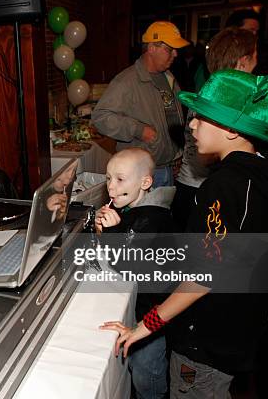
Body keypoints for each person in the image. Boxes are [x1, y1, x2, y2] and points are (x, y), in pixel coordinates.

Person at [100, 69, 268, 397]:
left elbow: (203, 276)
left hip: (206, 341)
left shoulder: (224, 187)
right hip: (240, 331)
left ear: (231, 130)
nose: (191, 124)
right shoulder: (262, 176)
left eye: (201, 117)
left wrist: (144, 326)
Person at [95, 148, 176, 399]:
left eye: (120, 179)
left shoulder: (154, 219)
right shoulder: (134, 207)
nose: (111, 186)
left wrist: (109, 235)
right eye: (108, 178)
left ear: (145, 182)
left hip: (151, 314)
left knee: (146, 372)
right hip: (138, 304)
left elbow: (128, 263)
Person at [172, 27, 258, 229]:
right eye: (255, 56)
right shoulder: (223, 100)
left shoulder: (210, 89)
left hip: (198, 185)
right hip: (201, 188)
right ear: (243, 61)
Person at [92, 21, 189, 187]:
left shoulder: (169, 77)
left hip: (169, 169)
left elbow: (174, 119)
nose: (175, 54)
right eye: (169, 49)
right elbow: (101, 117)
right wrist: (139, 130)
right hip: (142, 174)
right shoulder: (126, 81)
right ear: (151, 48)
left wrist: (178, 155)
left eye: (175, 49)